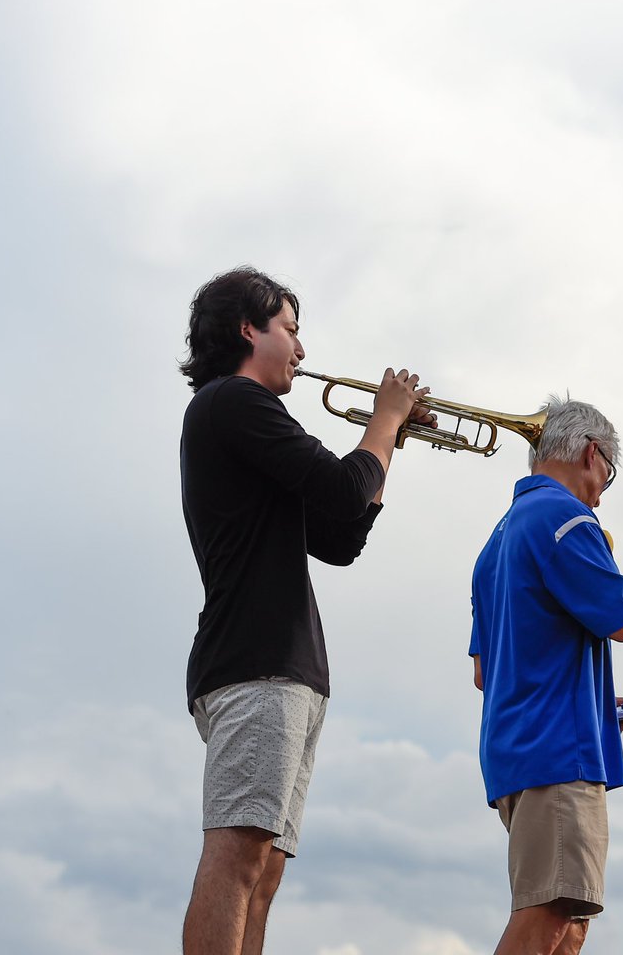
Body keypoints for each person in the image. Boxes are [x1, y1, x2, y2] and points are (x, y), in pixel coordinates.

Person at [177, 266, 432, 955]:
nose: (301, 349)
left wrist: (390, 441)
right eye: (290, 329)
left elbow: (340, 536)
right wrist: (384, 417)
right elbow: (343, 486)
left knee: (262, 872)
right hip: (256, 663)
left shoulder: (247, 424)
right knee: (237, 858)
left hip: (285, 671)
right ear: (247, 329)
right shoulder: (233, 402)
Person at [469, 396, 623, 955]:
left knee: (567, 925)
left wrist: (597, 710)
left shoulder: (498, 539)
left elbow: (485, 671)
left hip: (518, 750)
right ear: (593, 454)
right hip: (558, 752)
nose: (600, 494)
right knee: (550, 914)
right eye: (606, 478)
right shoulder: (566, 519)